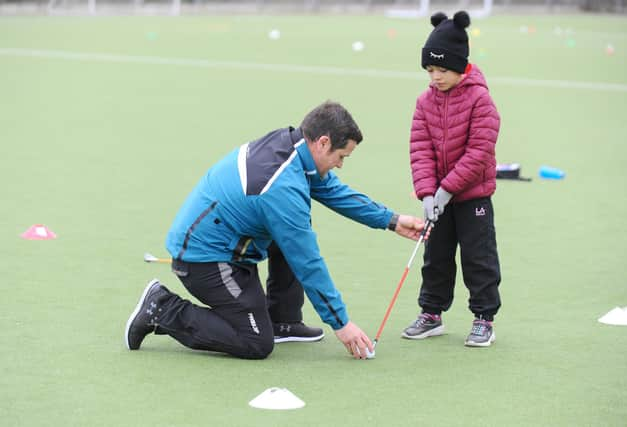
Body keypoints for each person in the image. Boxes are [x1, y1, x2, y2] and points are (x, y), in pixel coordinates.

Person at [125, 101, 425, 360]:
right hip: (204, 260)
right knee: (255, 342)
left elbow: (333, 191)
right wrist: (341, 324)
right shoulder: (281, 186)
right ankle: (161, 308)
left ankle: (284, 319)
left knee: (294, 228)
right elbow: (307, 261)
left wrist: (392, 220)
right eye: (341, 156)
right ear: (322, 142)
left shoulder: (292, 147)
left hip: (223, 242)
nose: (340, 165)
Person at [402, 11, 502, 347]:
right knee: (436, 257)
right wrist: (428, 194)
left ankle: (483, 318)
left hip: (472, 197)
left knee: (479, 258)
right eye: (430, 70)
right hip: (438, 200)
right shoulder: (424, 102)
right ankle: (431, 314)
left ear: (460, 65)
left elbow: (479, 152)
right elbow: (420, 149)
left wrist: (447, 190)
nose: (435, 77)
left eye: (442, 70)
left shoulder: (481, 100)